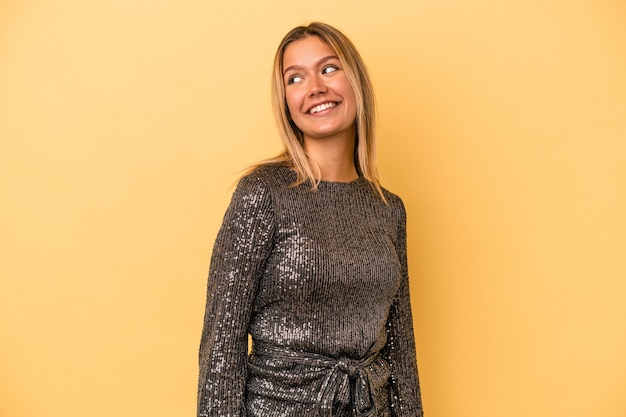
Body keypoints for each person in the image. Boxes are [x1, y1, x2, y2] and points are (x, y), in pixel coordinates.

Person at [198, 22, 424, 417]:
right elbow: (222, 346)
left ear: (357, 83)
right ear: (286, 101)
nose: (315, 87)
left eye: (329, 68)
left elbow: (400, 352)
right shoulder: (263, 194)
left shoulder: (389, 209)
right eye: (295, 78)